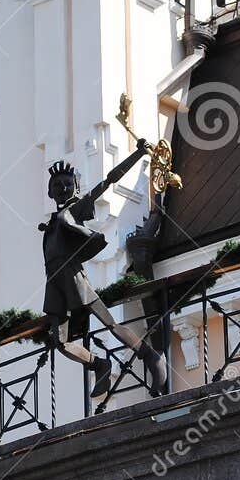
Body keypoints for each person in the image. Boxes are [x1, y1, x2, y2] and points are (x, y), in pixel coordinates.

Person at [40, 144, 170, 398]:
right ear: (49, 192)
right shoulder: (52, 224)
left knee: (108, 322)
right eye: (58, 186)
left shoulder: (74, 210)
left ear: (76, 188)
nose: (63, 189)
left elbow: (108, 181)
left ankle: (150, 356)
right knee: (61, 343)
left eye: (68, 184)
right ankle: (99, 364)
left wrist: (137, 154)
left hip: (74, 277)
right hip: (54, 282)